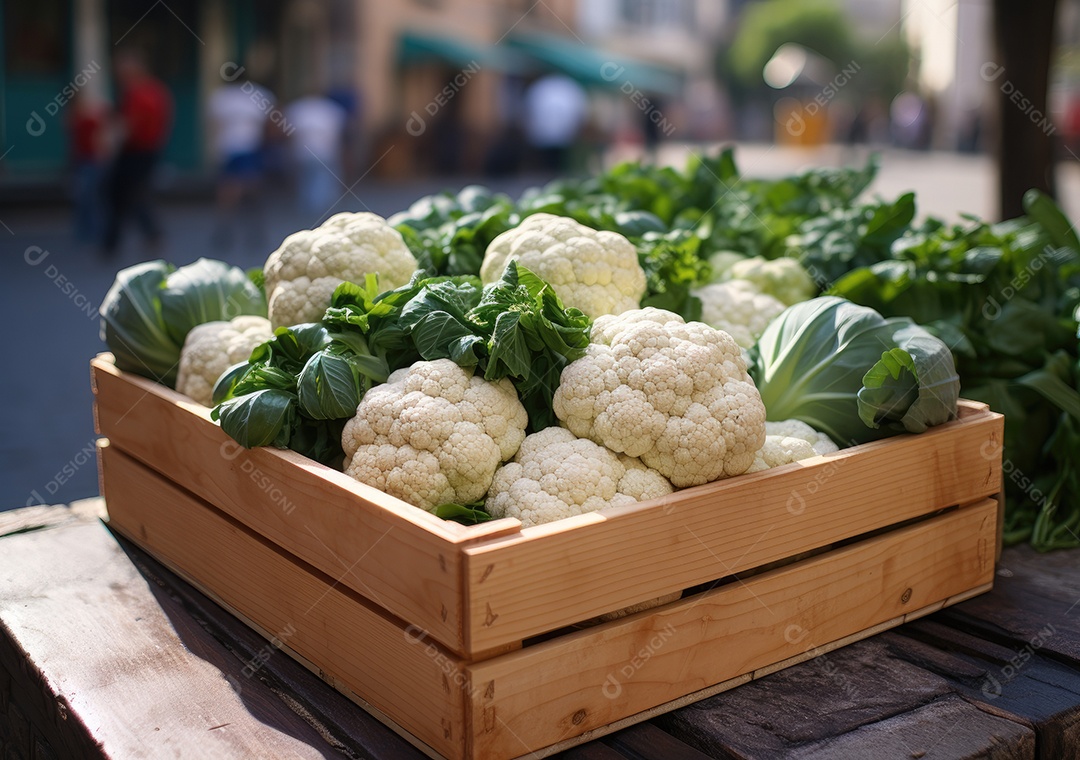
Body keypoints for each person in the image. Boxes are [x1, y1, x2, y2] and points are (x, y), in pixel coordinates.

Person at [102, 50, 173, 257]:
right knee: (130, 193)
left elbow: (130, 125)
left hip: (138, 151)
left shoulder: (142, 93)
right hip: (144, 150)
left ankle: (120, 240)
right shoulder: (149, 90)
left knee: (126, 193)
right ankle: (144, 235)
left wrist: (110, 144)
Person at [207, 76, 274, 250]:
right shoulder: (258, 94)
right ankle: (253, 232)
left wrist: (215, 149)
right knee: (251, 189)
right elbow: (269, 123)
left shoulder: (221, 96)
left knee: (229, 190)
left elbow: (215, 126)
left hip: (229, 149)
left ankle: (226, 230)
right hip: (249, 148)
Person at [285, 92, 348, 218]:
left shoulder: (298, 109)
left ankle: (310, 207)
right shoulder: (331, 109)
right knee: (321, 180)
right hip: (323, 152)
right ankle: (319, 209)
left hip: (305, 152)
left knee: (308, 180)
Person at [523, 74, 589, 173]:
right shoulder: (568, 86)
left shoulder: (541, 87)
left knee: (546, 167)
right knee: (560, 167)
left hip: (543, 137)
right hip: (561, 137)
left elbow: (528, 112)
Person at [67, 92, 109, 244]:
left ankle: (93, 231)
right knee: (85, 198)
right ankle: (86, 231)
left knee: (89, 197)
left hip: (91, 161)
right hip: (82, 161)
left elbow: (99, 138)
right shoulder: (76, 120)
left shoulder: (89, 120)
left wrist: (102, 156)